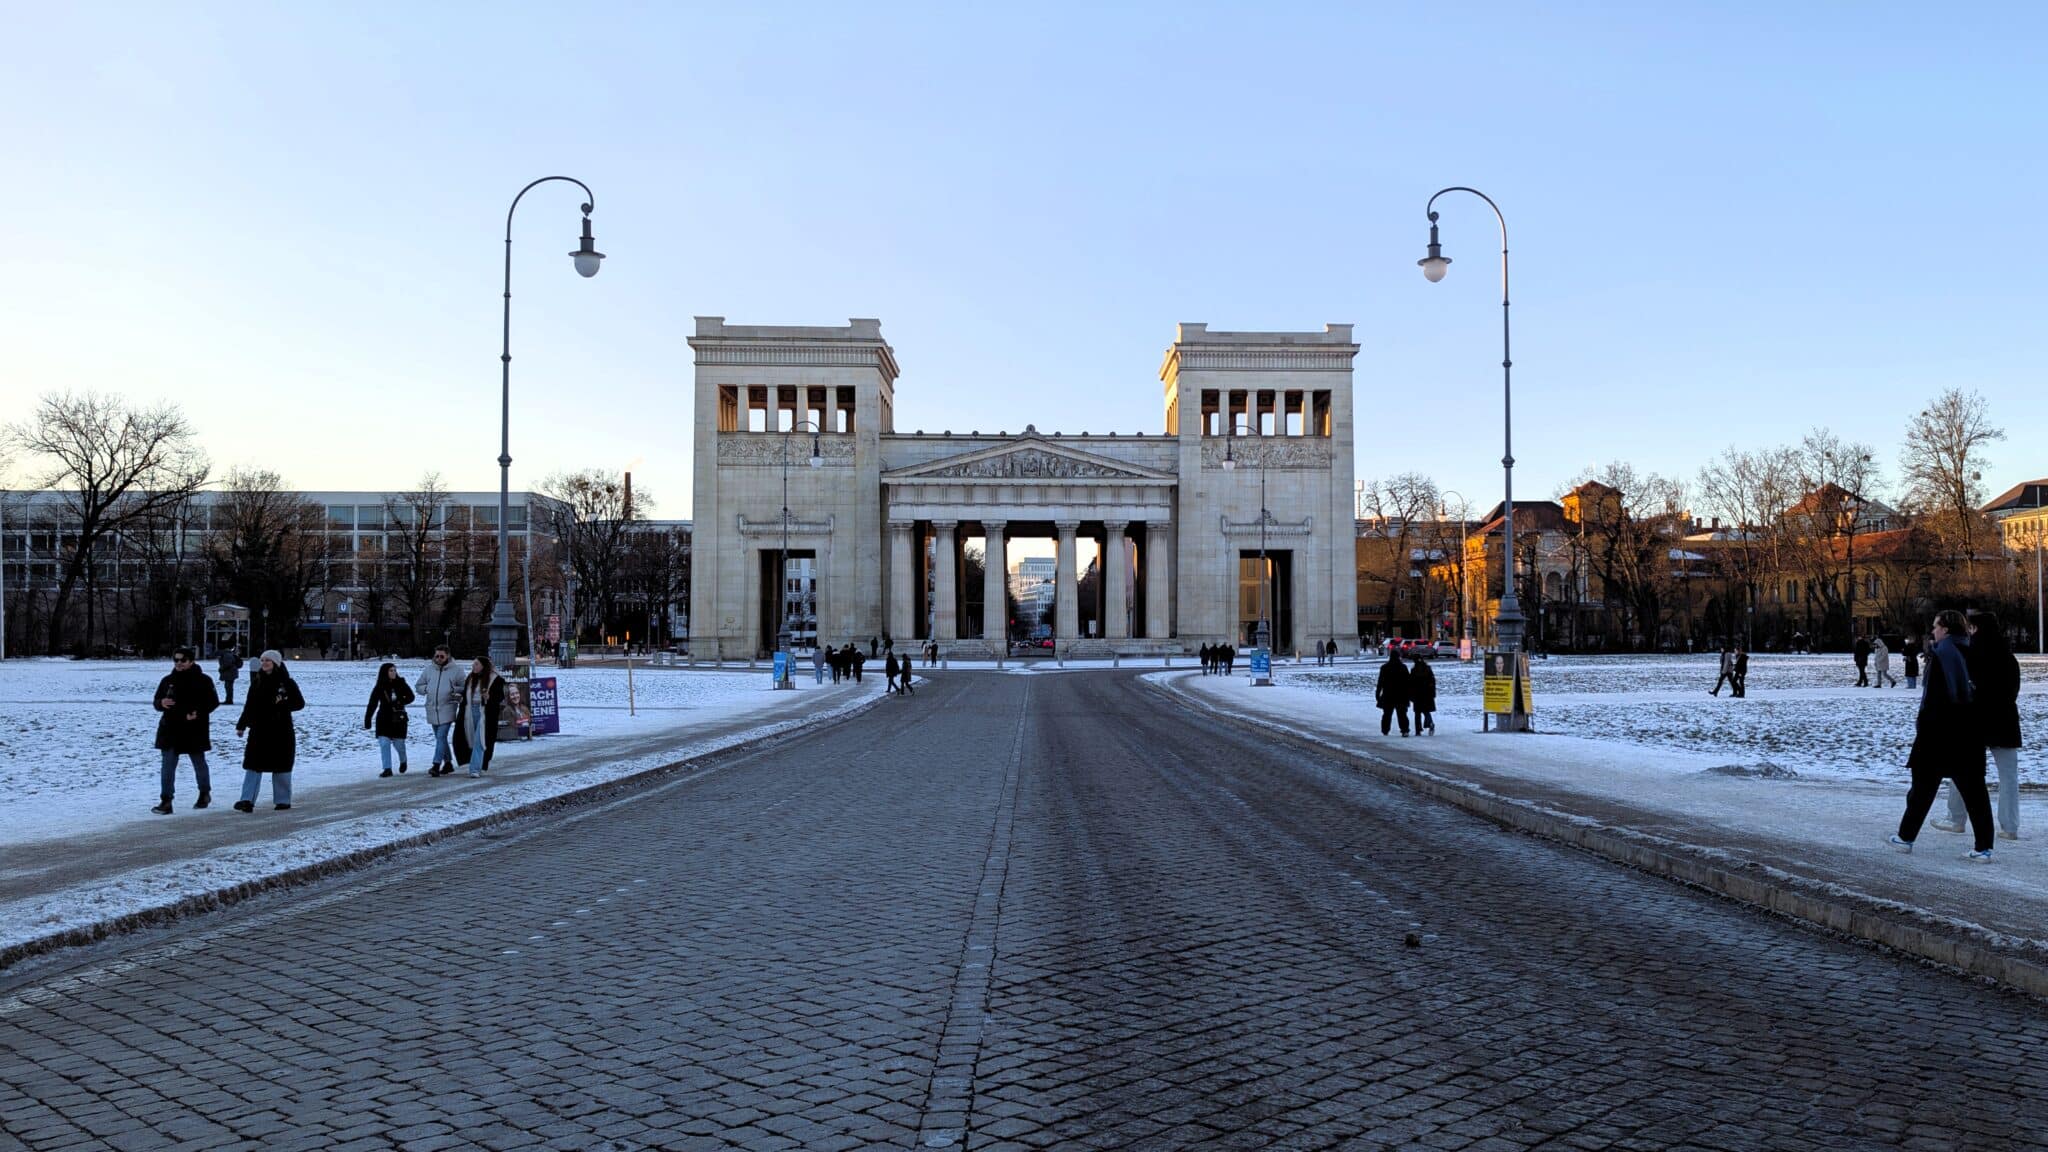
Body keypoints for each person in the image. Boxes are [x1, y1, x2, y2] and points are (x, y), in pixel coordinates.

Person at [1889, 610, 1995, 860]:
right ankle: (1984, 846)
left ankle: (1906, 836)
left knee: (1923, 789)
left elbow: (1934, 700)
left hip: (1939, 734)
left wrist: (1923, 728)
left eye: (1936, 626)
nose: (1933, 631)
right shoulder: (1972, 651)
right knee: (1975, 792)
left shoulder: (1942, 654)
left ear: (1946, 629)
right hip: (1969, 733)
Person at [1935, 612, 2023, 841]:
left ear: (1975, 629)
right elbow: (2012, 692)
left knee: (1963, 771)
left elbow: (1963, 690)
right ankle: (2010, 826)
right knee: (2008, 777)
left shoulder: (1970, 655)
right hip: (2005, 721)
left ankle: (1955, 819)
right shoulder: (2008, 657)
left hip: (1975, 722)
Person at [233, 650, 304, 812]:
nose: (264, 663)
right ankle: (247, 800)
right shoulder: (257, 681)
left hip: (281, 731)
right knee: (253, 765)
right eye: (262, 660)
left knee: (281, 766)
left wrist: (283, 703)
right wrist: (241, 725)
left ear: (276, 663)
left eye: (268, 661)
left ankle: (282, 800)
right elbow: (249, 705)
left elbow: (299, 703)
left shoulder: (287, 683)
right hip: (259, 730)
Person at [152, 646, 220, 813]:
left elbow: (212, 702)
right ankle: (166, 800)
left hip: (193, 729)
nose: (179, 663)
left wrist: (197, 713)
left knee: (198, 762)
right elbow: (156, 701)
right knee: (167, 766)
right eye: (176, 660)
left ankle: (204, 792)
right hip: (170, 729)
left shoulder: (203, 680)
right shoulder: (168, 680)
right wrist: (161, 703)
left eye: (183, 660)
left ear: (191, 661)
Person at [452, 656, 506, 779]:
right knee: (470, 739)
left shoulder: (495, 679)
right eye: (473, 664)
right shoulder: (471, 678)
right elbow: (466, 695)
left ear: (483, 665)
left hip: (486, 714)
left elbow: (500, 697)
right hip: (469, 712)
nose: (473, 667)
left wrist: (489, 697)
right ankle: (476, 764)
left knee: (480, 740)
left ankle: (474, 769)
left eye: (476, 664)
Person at [415, 645, 465, 776]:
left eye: (441, 656)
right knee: (439, 738)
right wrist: (426, 689)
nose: (438, 658)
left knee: (441, 736)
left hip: (447, 708)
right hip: (432, 708)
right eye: (436, 656)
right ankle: (448, 763)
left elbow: (464, 686)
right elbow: (418, 685)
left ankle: (436, 764)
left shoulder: (457, 670)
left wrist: (454, 690)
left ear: (447, 656)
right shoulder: (429, 670)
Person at [363, 662, 415, 777]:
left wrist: (400, 701)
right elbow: (372, 703)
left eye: (394, 670)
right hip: (383, 718)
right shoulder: (379, 686)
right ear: (385, 672)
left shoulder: (401, 683)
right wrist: (368, 719)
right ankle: (387, 768)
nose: (393, 673)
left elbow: (411, 697)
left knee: (399, 744)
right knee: (384, 743)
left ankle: (403, 760)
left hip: (398, 719)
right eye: (391, 671)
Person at [1375, 649, 1411, 737]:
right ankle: (1404, 730)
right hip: (1401, 694)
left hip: (1388, 694)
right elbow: (1408, 682)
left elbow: (1380, 682)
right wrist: (1409, 694)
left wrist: (1378, 694)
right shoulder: (1403, 667)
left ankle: (1385, 730)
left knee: (1387, 714)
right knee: (1402, 714)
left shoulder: (1384, 667)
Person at [1408, 656, 1437, 734]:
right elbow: (1432, 681)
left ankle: (1418, 730)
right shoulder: (1428, 669)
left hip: (1417, 693)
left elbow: (1410, 683)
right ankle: (1430, 723)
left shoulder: (1414, 670)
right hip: (1427, 693)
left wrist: (1410, 694)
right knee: (1426, 711)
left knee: (1417, 713)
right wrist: (1433, 692)